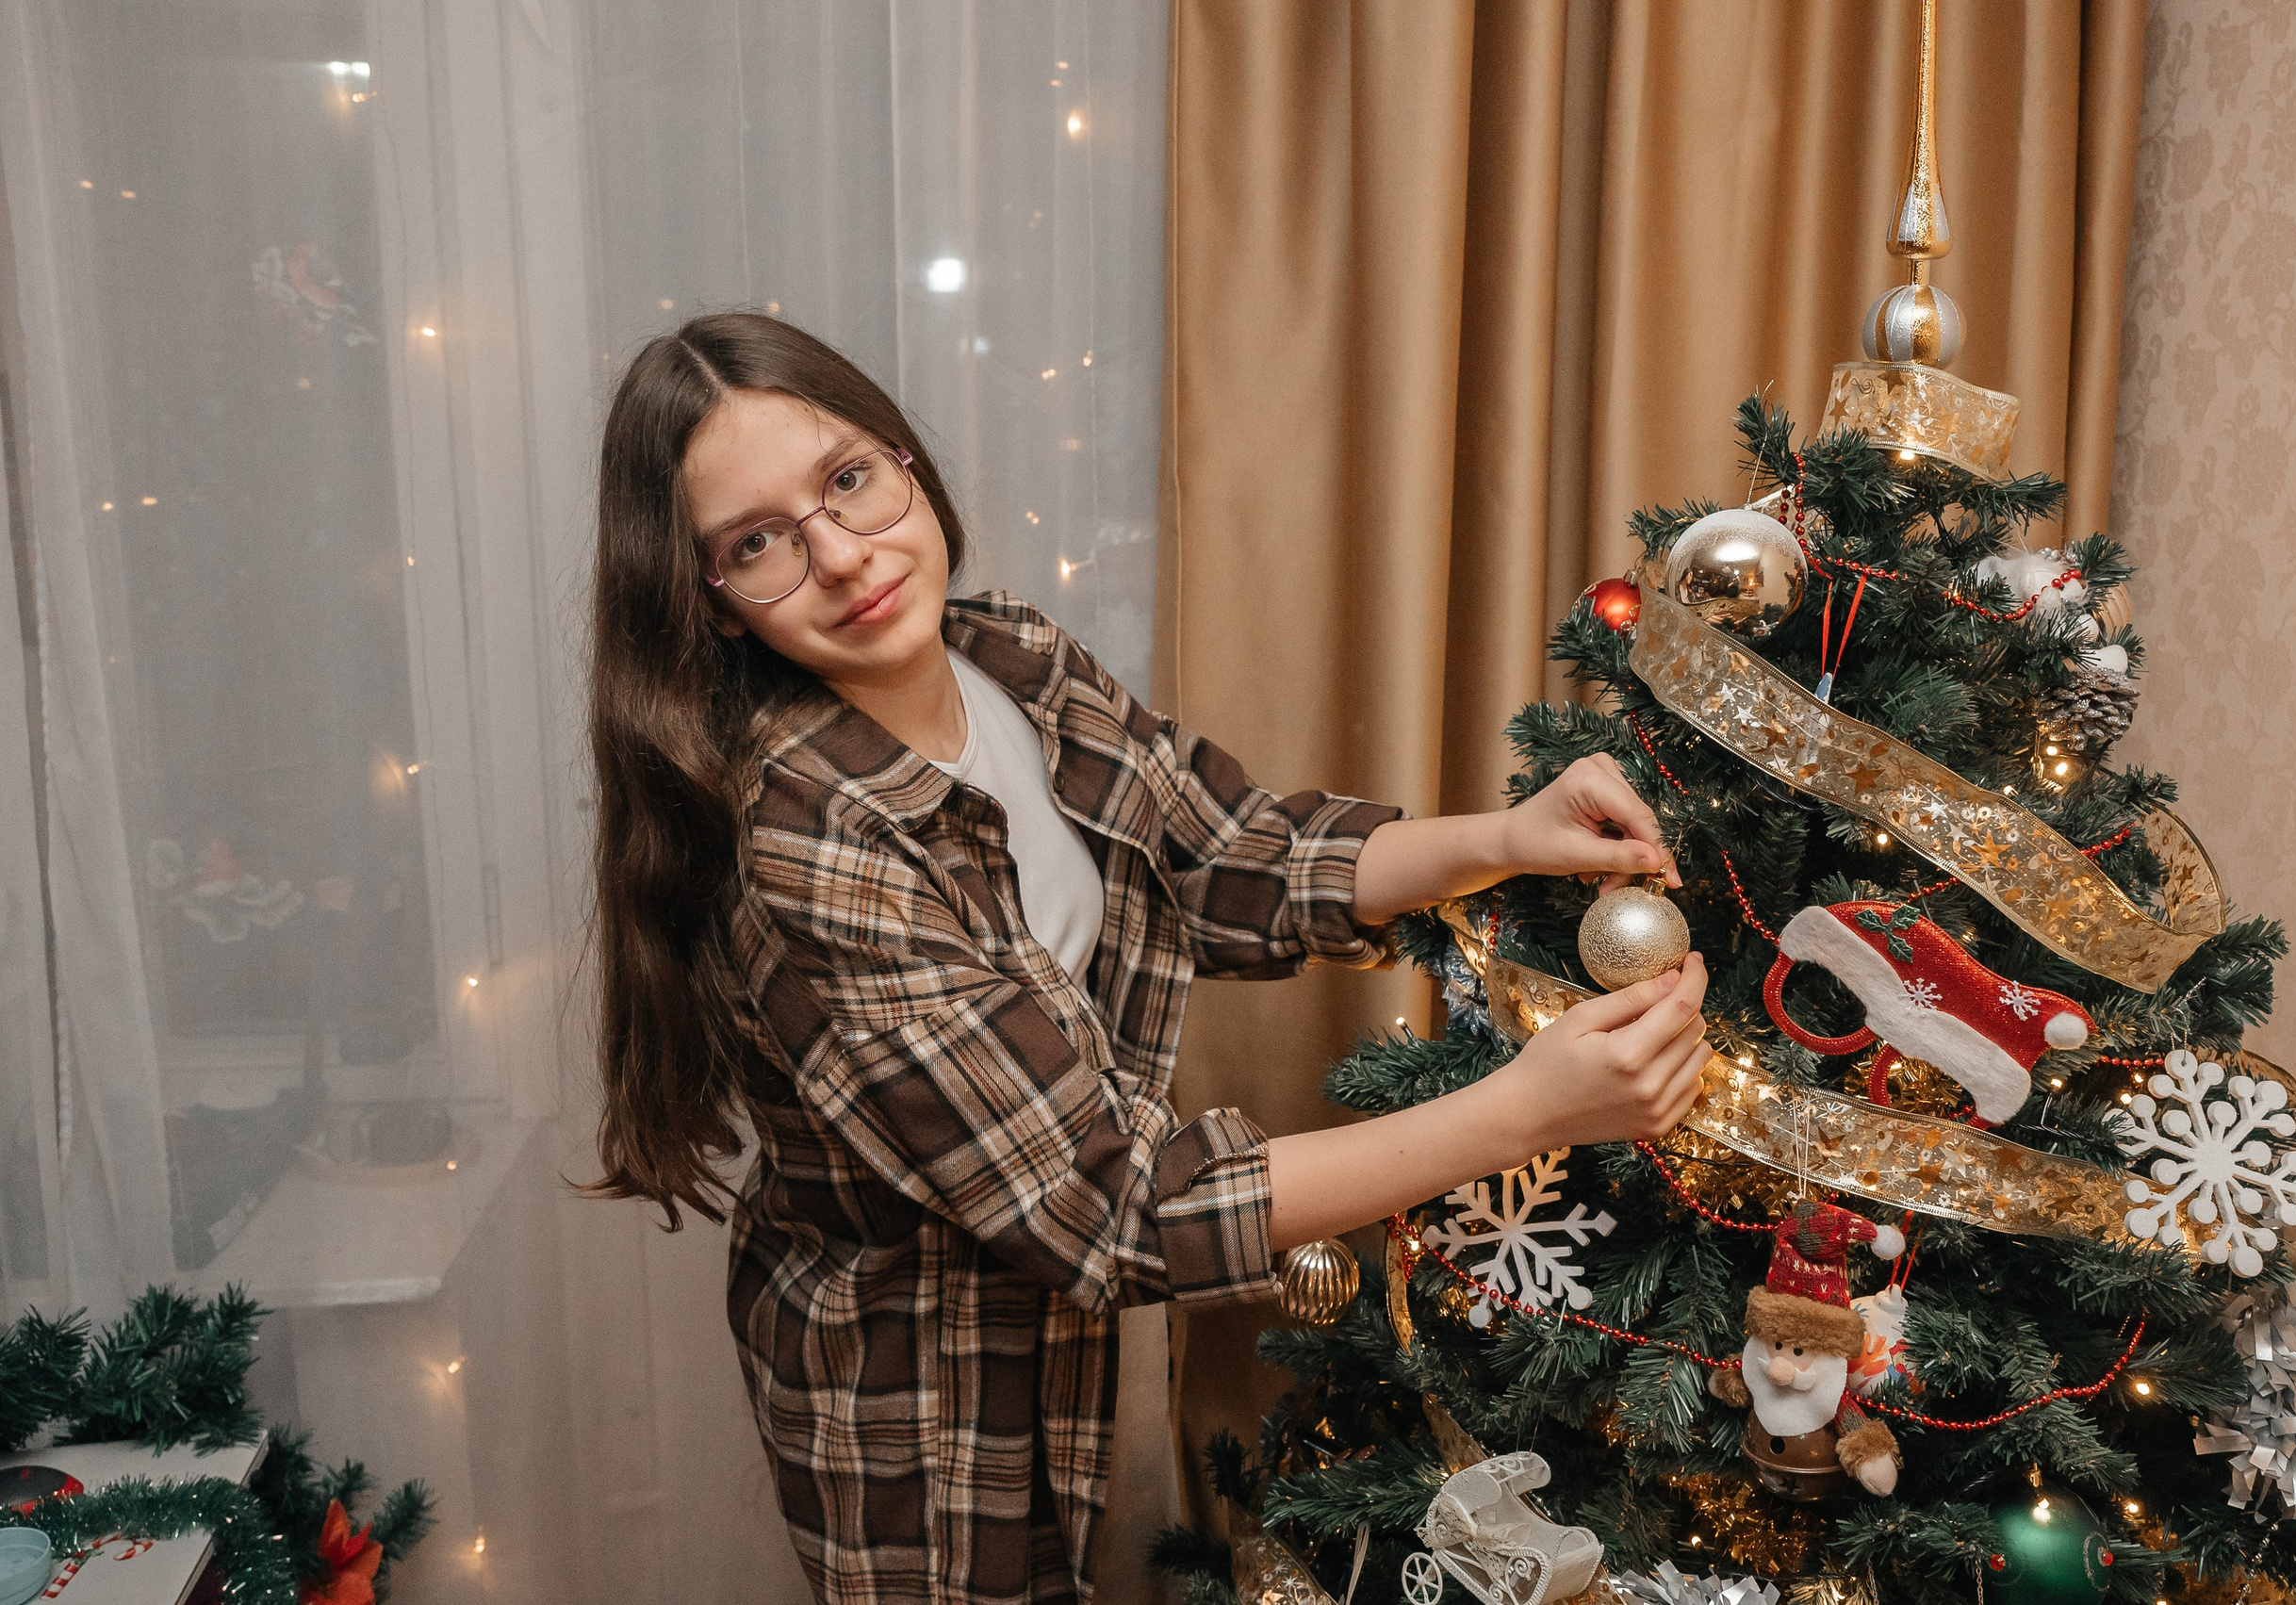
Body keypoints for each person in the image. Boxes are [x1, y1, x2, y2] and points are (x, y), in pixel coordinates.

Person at [583, 312, 1711, 1605]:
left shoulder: (1008, 658)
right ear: (711, 603)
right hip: (929, 1411)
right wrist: (1525, 1112)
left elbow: (1220, 851)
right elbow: (1112, 1208)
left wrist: (1509, 838)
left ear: (904, 461)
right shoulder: (806, 852)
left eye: (847, 480)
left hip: (1086, 1341)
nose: (843, 556)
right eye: (761, 545)